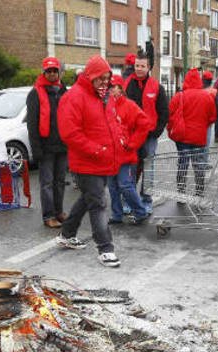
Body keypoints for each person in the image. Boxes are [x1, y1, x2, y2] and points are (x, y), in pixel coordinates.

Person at [56, 55, 121, 268]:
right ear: (90, 76)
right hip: (86, 162)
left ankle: (66, 234)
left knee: (87, 199)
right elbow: (69, 133)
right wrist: (95, 149)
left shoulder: (104, 96)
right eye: (100, 78)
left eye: (107, 77)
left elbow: (110, 123)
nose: (104, 82)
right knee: (99, 203)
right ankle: (105, 248)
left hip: (102, 160)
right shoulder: (74, 97)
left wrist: (118, 141)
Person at [26, 56, 69, 228]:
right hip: (45, 147)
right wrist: (36, 149)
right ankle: (48, 216)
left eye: (54, 70)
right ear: (43, 72)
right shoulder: (35, 94)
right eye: (48, 71)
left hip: (62, 145)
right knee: (47, 184)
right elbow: (32, 124)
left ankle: (59, 211)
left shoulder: (64, 91)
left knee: (60, 182)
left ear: (59, 72)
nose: (52, 73)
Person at [125, 54, 169, 213]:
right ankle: (130, 201)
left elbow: (164, 112)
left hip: (149, 136)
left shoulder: (157, 87)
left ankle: (146, 200)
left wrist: (156, 132)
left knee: (149, 169)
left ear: (148, 67)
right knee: (132, 169)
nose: (139, 69)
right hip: (131, 135)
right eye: (137, 66)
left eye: (142, 66)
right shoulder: (127, 84)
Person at [105, 75, 150, 225]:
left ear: (121, 88)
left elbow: (144, 124)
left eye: (113, 87)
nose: (110, 90)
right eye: (109, 87)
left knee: (125, 185)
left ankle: (140, 212)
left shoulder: (130, 105)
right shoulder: (106, 105)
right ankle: (117, 215)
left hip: (125, 154)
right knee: (112, 186)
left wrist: (132, 143)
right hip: (110, 154)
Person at [168, 68, 217, 195]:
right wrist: (202, 125)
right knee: (199, 164)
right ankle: (199, 191)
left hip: (182, 137)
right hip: (199, 138)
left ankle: (181, 191)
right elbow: (212, 117)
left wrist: (170, 130)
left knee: (182, 164)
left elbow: (170, 114)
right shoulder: (207, 96)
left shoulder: (179, 96)